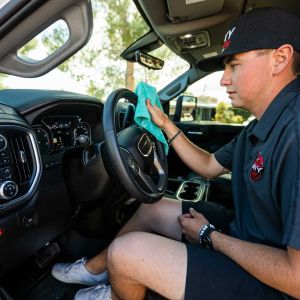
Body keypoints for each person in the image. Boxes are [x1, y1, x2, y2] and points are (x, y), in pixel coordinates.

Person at [52, 7, 300, 300]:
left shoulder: (295, 133)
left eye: (234, 65)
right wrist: (165, 124)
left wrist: (211, 237)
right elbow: (208, 165)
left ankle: (117, 291)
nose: (223, 79)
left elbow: (295, 279)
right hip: (247, 235)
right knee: (151, 209)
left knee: (126, 253)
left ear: (280, 59)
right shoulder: (261, 124)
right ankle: (98, 270)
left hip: (275, 286)